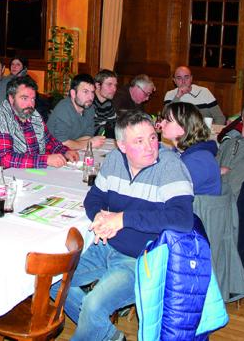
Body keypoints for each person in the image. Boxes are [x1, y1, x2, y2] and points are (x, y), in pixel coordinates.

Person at [52, 110, 194, 341]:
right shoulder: (115, 160)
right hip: (106, 247)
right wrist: (99, 216)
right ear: (122, 146)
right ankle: (108, 335)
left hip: (141, 259)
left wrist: (122, 219)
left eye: (152, 137)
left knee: (93, 305)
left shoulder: (170, 165)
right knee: (53, 280)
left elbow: (183, 219)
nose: (150, 146)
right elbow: (93, 198)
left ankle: (99, 330)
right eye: (139, 141)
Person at [0, 75, 79, 168]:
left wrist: (65, 151)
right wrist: (45, 160)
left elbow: (49, 141)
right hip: (2, 177)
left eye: (33, 99)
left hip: (30, 173)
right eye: (24, 98)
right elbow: (5, 158)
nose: (30, 104)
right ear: (11, 98)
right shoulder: (0, 119)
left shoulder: (33, 115)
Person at [160, 102, 221, 195]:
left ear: (183, 128)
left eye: (168, 121)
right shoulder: (180, 152)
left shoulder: (199, 160)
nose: (161, 123)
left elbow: (168, 192)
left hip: (197, 209)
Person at [47, 74, 105, 150]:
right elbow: (61, 144)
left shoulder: (89, 108)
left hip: (73, 151)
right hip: (52, 154)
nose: (90, 97)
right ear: (73, 93)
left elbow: (88, 135)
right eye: (85, 92)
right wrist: (89, 143)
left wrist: (75, 144)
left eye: (92, 92)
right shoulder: (63, 109)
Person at [93, 69, 118, 138]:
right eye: (109, 84)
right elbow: (90, 131)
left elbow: (115, 125)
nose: (114, 89)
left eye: (115, 85)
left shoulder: (108, 103)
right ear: (98, 85)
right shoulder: (89, 102)